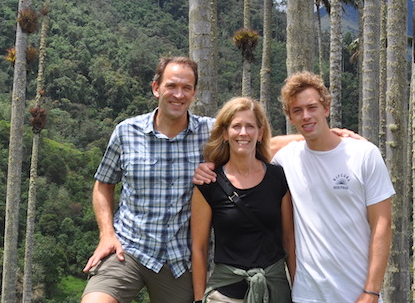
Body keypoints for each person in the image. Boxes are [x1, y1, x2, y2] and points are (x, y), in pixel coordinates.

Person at [81, 55, 211, 303]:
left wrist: (307, 140)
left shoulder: (210, 133)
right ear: (156, 88)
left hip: (179, 260)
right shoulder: (127, 132)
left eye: (186, 88)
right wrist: (107, 234)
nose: (178, 94)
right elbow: (103, 184)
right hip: (128, 249)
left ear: (194, 93)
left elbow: (254, 138)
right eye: (171, 86)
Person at [273, 71, 394, 303]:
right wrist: (302, 137)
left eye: (312, 108)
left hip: (357, 293)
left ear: (326, 108)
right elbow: (253, 142)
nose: (306, 116)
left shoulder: (364, 154)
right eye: (297, 111)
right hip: (307, 295)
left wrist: (371, 291)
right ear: (290, 118)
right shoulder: (286, 159)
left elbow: (382, 224)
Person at [191, 97, 295, 303]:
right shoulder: (208, 183)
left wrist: (298, 288)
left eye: (250, 126)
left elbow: (289, 240)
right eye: (236, 126)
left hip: (274, 291)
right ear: (225, 133)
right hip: (225, 294)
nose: (243, 133)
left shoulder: (278, 177)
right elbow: (199, 248)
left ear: (260, 133)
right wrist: (198, 298)